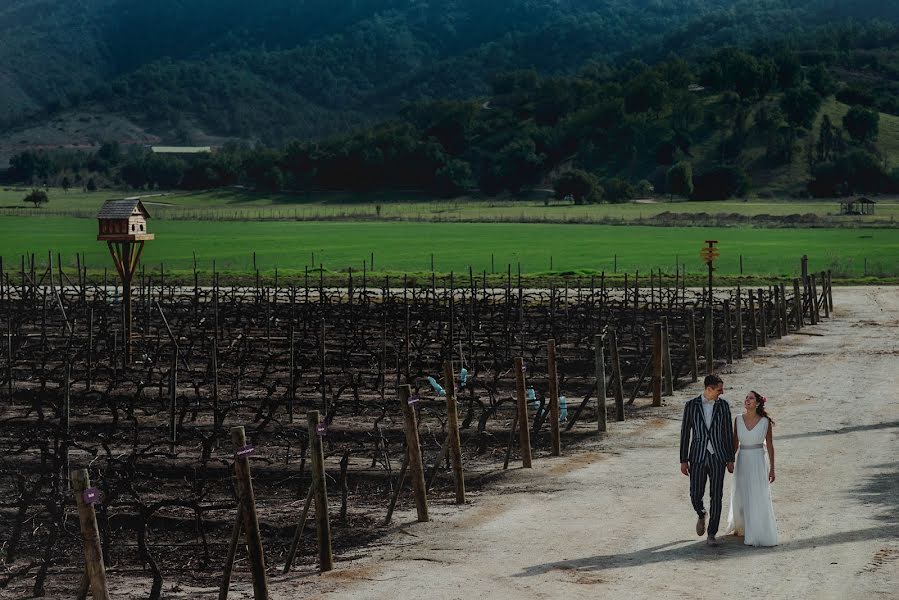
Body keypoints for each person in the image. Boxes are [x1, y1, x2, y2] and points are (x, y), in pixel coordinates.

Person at [680, 374, 735, 546]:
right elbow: (685, 434)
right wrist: (683, 459)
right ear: (709, 389)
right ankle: (701, 512)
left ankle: (712, 533)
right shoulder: (691, 406)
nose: (722, 392)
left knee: (716, 496)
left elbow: (727, 433)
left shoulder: (724, 406)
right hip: (697, 456)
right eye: (719, 389)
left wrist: (730, 458)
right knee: (695, 493)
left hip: (718, 456)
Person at [725, 390, 778, 546]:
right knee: (742, 492)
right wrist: (730, 460)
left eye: (751, 398)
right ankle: (743, 526)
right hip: (743, 460)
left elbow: (770, 445)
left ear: (757, 403)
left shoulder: (765, 422)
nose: (747, 400)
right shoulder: (738, 419)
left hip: (758, 460)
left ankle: (758, 530)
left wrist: (772, 468)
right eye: (746, 398)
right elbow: (735, 443)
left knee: (758, 494)